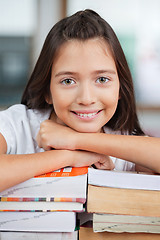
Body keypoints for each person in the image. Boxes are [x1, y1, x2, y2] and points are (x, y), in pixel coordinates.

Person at [0, 10, 159, 192]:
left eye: (102, 80)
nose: (86, 99)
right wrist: (68, 156)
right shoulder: (16, 125)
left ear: (120, 89)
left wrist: (75, 139)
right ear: (48, 91)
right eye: (68, 81)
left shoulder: (124, 143)